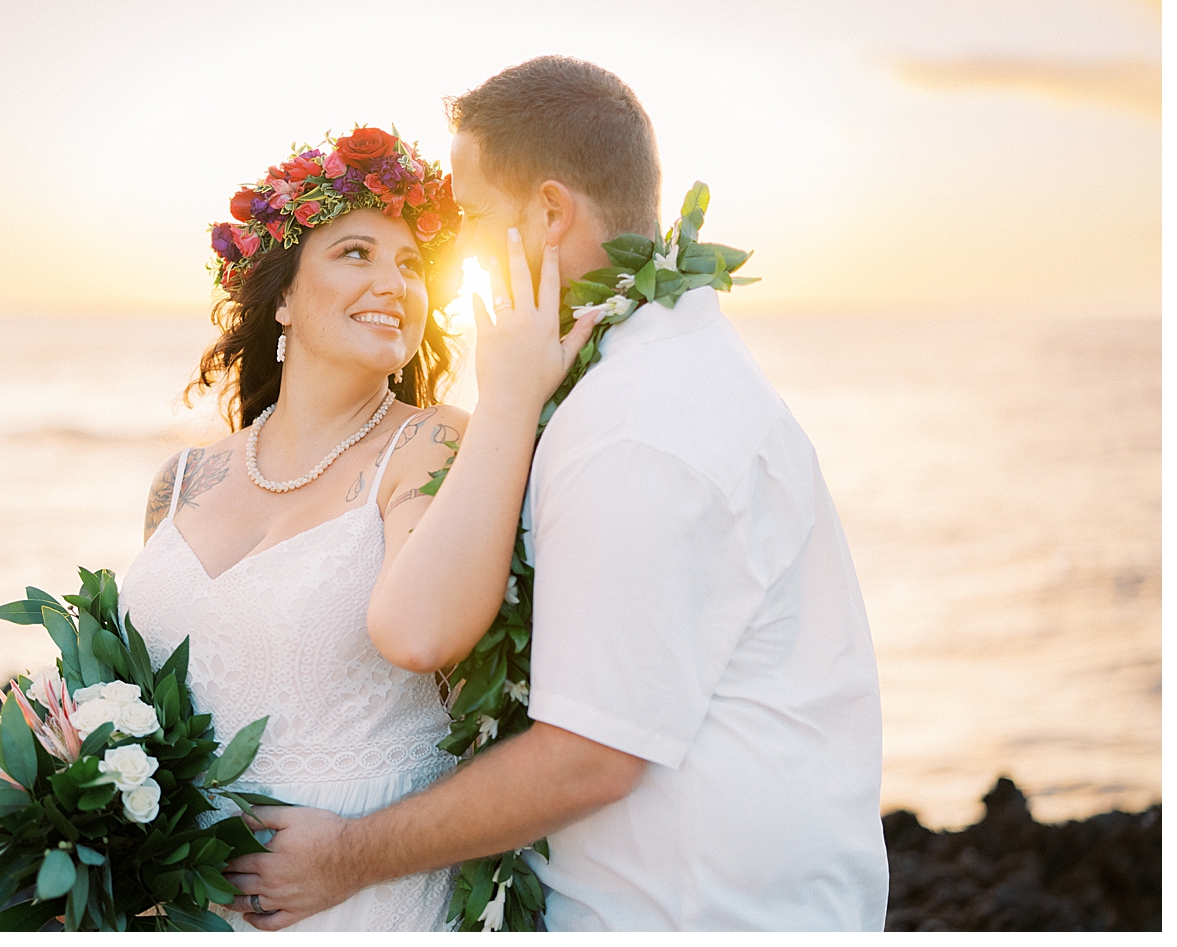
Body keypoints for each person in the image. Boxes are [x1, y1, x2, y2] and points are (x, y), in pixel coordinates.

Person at [222, 57, 890, 931]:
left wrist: (345, 857)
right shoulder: (634, 376)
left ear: (547, 212)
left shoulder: (636, 426)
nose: (452, 251)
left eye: (467, 219)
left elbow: (589, 757)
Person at [116, 125, 599, 931]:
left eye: (412, 264)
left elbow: (424, 633)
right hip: (184, 909)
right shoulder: (180, 482)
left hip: (359, 901)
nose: (394, 282)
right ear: (281, 294)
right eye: (355, 254)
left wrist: (511, 399)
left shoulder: (435, 443)